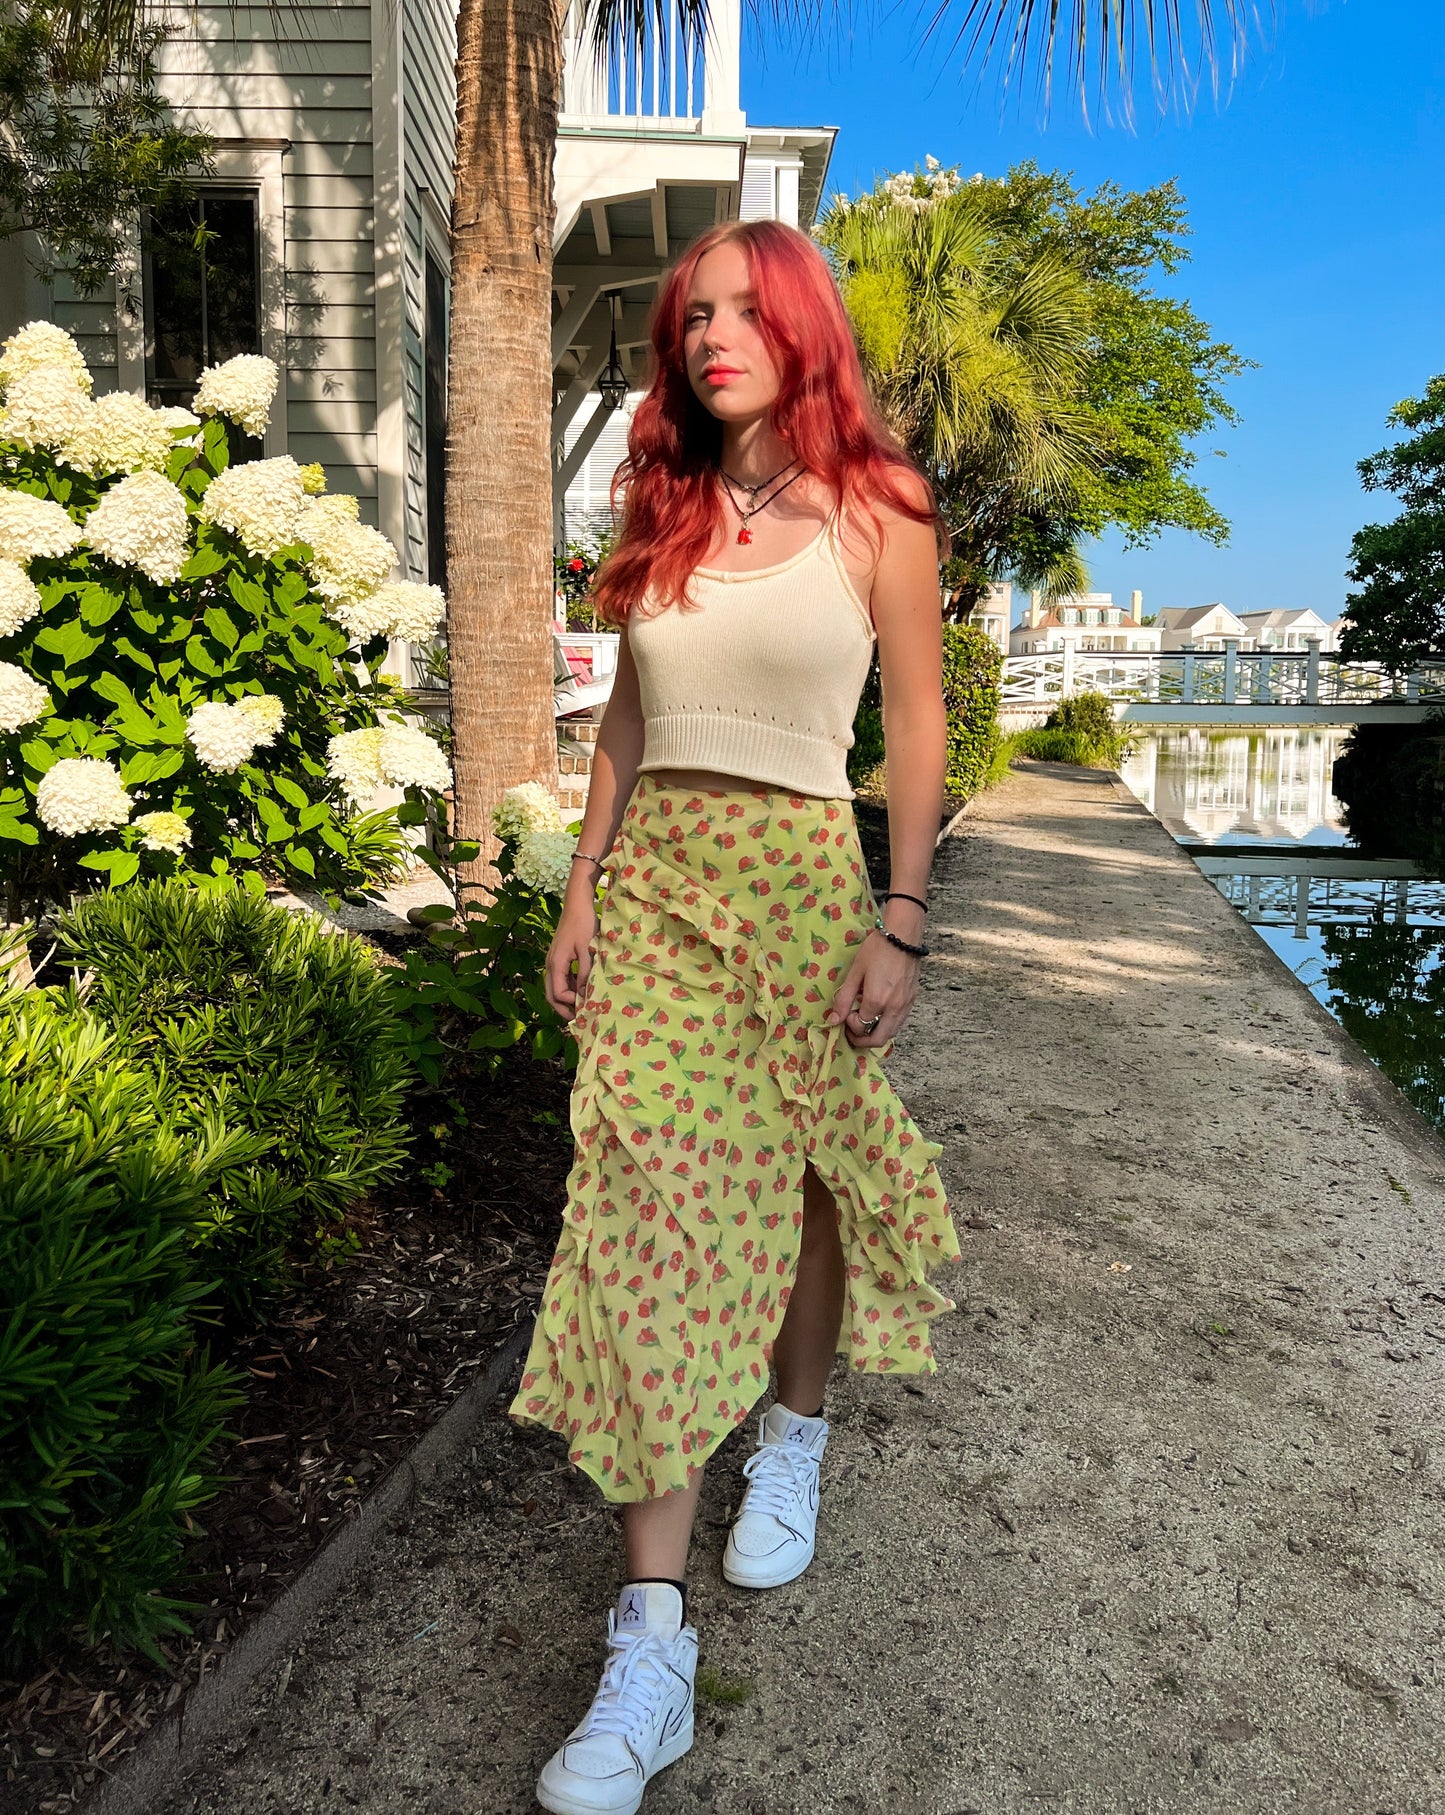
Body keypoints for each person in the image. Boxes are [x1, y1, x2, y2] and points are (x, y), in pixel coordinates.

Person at [508, 218, 962, 1815]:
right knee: (645, 1214)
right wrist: (579, 882)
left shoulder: (881, 507)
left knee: (808, 1179)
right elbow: (628, 712)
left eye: (735, 311)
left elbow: (913, 718)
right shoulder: (665, 500)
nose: (707, 336)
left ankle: (795, 1428)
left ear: (796, 325)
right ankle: (650, 1643)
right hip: (658, 900)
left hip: (794, 875)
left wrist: (901, 915)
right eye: (685, 316)